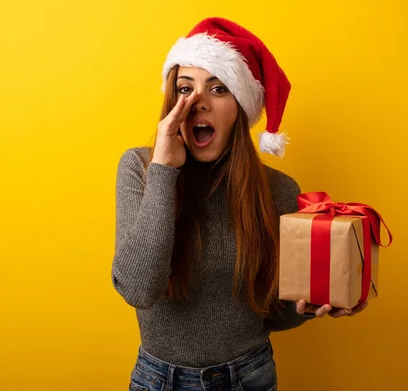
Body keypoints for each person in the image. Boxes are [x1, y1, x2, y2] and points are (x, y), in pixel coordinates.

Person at [112, 17, 369, 391]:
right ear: (172, 103)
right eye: (185, 88)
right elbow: (138, 288)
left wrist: (309, 306)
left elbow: (270, 312)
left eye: (218, 88)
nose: (198, 102)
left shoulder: (278, 190)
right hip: (159, 380)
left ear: (240, 107)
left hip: (249, 377)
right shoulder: (139, 168)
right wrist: (164, 170)